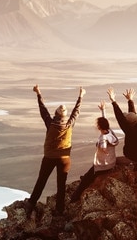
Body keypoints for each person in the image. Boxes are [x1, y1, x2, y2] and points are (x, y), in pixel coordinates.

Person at [25, 84, 86, 217]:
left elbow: (43, 110)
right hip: (64, 159)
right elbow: (76, 112)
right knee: (61, 184)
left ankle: (31, 204)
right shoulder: (69, 124)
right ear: (64, 115)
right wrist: (80, 96)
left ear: (56, 114)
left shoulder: (50, 123)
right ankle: (59, 210)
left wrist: (38, 93)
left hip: (49, 157)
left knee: (41, 180)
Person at [70, 101, 119, 203]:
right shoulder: (110, 132)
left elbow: (103, 146)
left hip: (103, 166)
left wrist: (102, 148)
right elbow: (105, 123)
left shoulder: (103, 137)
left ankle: (74, 198)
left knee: (85, 180)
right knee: (89, 173)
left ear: (99, 127)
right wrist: (103, 110)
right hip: (111, 162)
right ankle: (91, 176)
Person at [106, 87, 137, 170]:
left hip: (132, 159)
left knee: (113, 161)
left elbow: (119, 117)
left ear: (128, 123)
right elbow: (132, 114)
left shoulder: (129, 131)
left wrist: (113, 101)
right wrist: (130, 100)